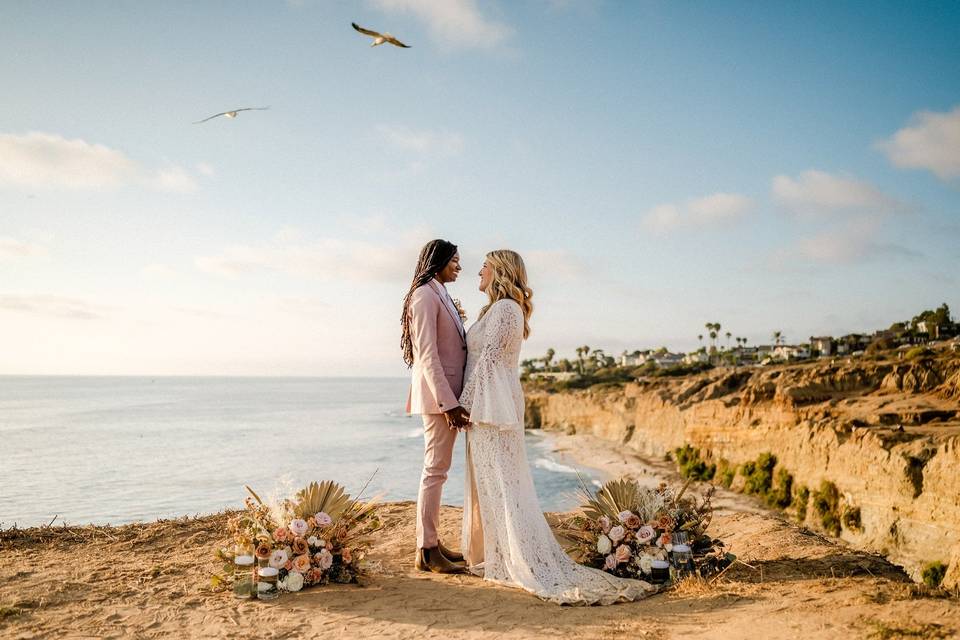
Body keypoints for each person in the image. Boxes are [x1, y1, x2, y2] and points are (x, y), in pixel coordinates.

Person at [459, 249, 657, 604]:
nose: (479, 270)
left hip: (493, 410)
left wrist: (462, 405)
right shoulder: (495, 309)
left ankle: (519, 559)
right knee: (493, 484)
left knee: (504, 483)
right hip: (488, 407)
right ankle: (501, 554)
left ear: (500, 270)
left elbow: (488, 361)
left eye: (485, 266)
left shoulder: (506, 308)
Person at [401, 239, 471, 573]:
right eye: (455, 260)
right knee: (434, 471)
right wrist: (449, 404)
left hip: (446, 396)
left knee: (438, 470)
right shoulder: (424, 295)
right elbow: (427, 355)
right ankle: (427, 550)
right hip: (438, 399)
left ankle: (431, 542)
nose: (459, 266)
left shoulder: (437, 291)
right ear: (439, 261)